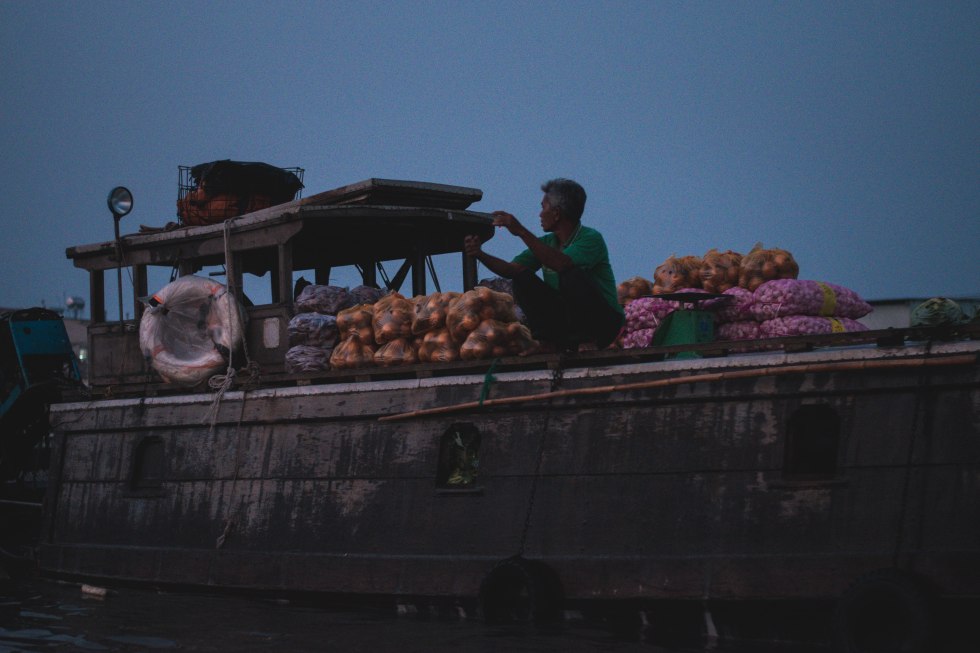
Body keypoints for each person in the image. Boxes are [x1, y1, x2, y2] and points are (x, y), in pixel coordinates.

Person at [464, 178, 624, 353]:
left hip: (603, 323)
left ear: (556, 213)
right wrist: (480, 254)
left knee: (571, 274)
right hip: (568, 323)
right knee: (522, 277)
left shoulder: (590, 238)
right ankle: (547, 342)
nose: (540, 214)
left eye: (543, 207)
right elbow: (511, 270)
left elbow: (561, 263)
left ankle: (588, 340)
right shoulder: (547, 242)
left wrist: (521, 231)